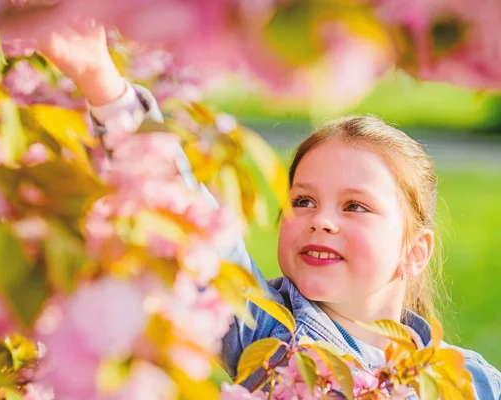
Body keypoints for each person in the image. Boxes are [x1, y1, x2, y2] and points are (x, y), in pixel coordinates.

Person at [38, 23, 501, 399]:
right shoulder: (270, 336)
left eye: (355, 206)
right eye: (302, 201)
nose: (321, 219)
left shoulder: (473, 382)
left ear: (415, 251)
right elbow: (190, 223)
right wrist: (104, 84)